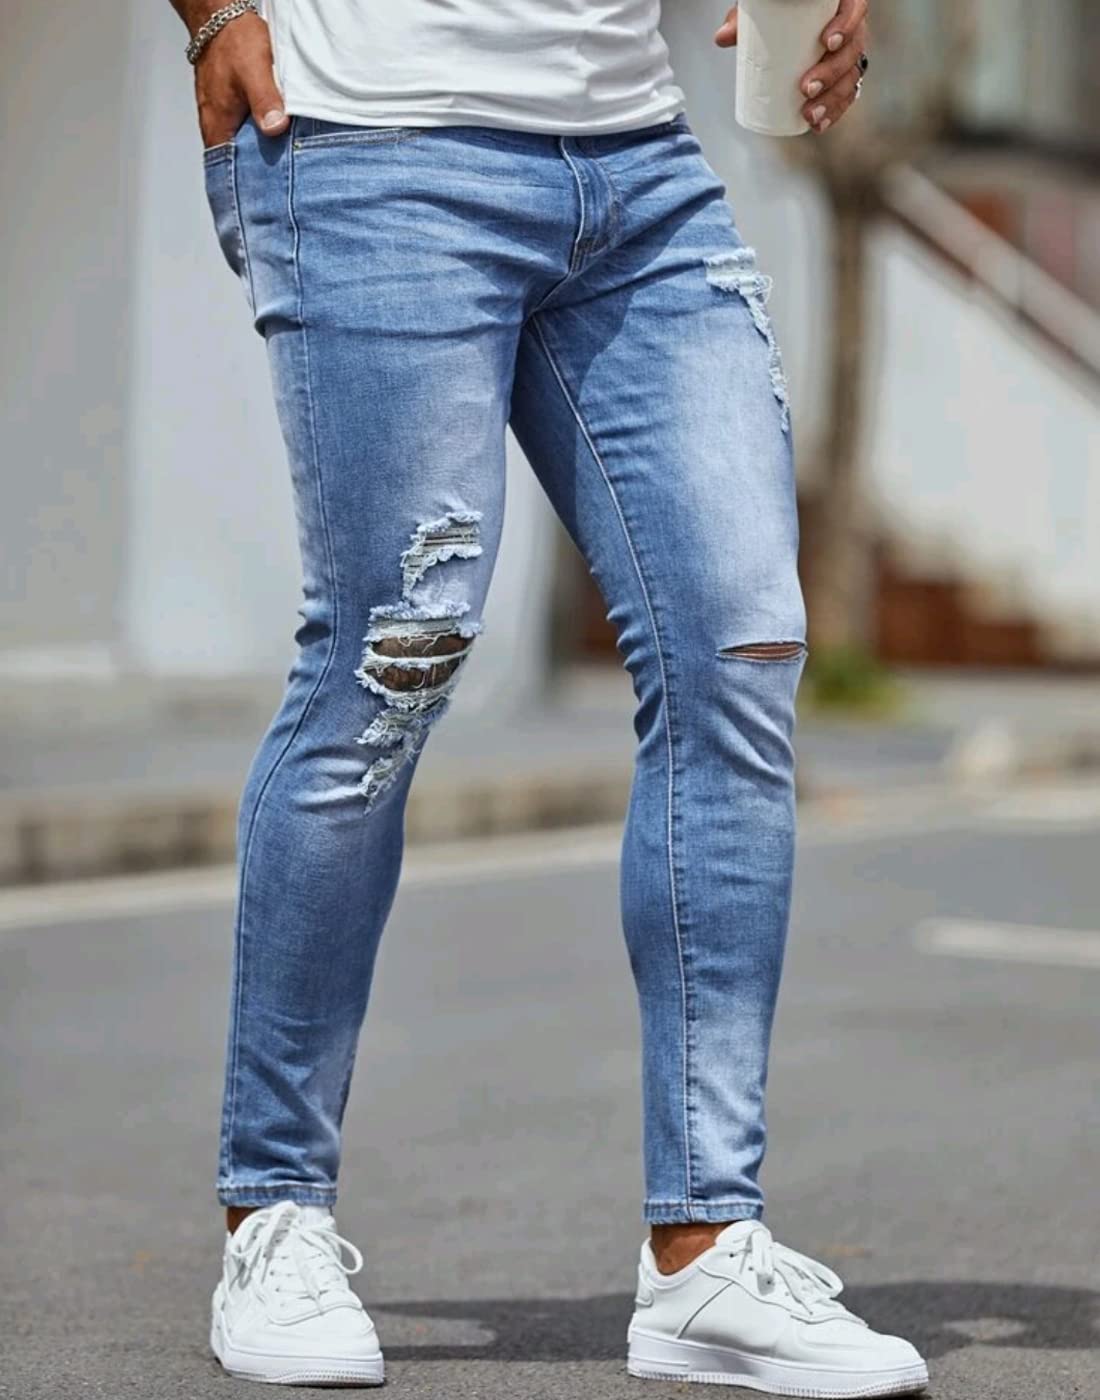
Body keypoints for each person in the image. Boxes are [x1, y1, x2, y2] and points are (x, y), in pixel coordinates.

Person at [172, 0, 927, 1393]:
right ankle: (273, 1217)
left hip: (635, 161)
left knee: (739, 649)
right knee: (391, 661)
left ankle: (705, 1256)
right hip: (370, 142)